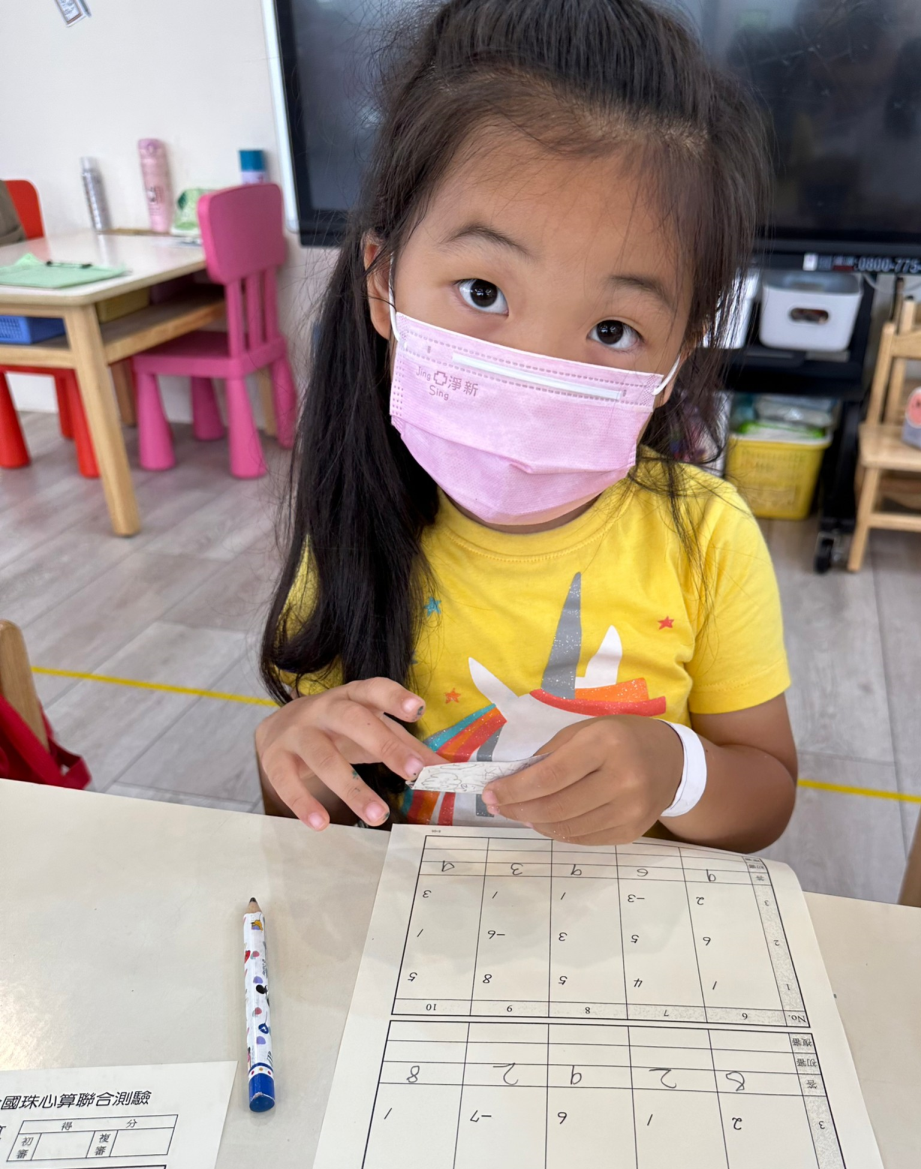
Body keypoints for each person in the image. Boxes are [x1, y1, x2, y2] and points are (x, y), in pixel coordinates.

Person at [256, 0, 797, 852]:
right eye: (483, 292)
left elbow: (764, 800)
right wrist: (290, 757)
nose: (537, 373)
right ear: (382, 281)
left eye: (612, 330)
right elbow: (315, 814)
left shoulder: (706, 538)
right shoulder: (353, 524)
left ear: (675, 358)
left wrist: (678, 770)